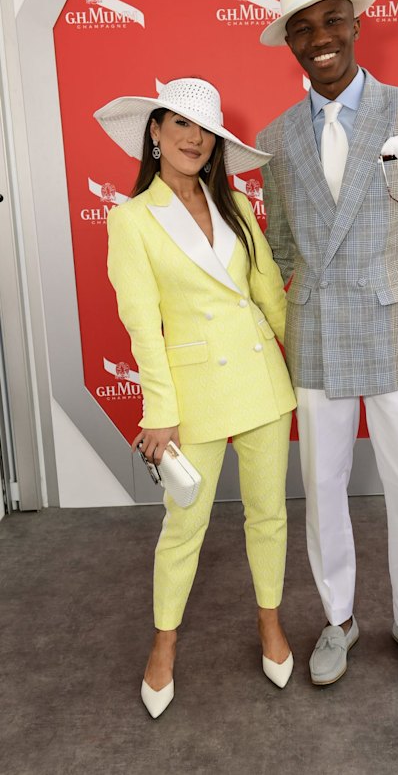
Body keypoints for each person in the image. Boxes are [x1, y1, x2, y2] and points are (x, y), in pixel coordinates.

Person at [257, 0, 398, 690]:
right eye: (303, 29)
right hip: (318, 340)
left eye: (332, 21)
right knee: (323, 485)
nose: (321, 39)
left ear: (356, 23)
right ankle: (339, 618)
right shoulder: (276, 140)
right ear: (289, 44)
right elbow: (279, 246)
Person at [96, 77, 297, 718]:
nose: (192, 137)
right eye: (178, 124)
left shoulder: (236, 209)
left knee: (269, 514)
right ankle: (164, 645)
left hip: (264, 382)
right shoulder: (130, 219)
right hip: (193, 393)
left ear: (216, 143)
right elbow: (141, 324)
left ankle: (270, 623)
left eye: (203, 128)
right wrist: (161, 414)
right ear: (154, 133)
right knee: (185, 525)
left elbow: (270, 297)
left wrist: (315, 374)